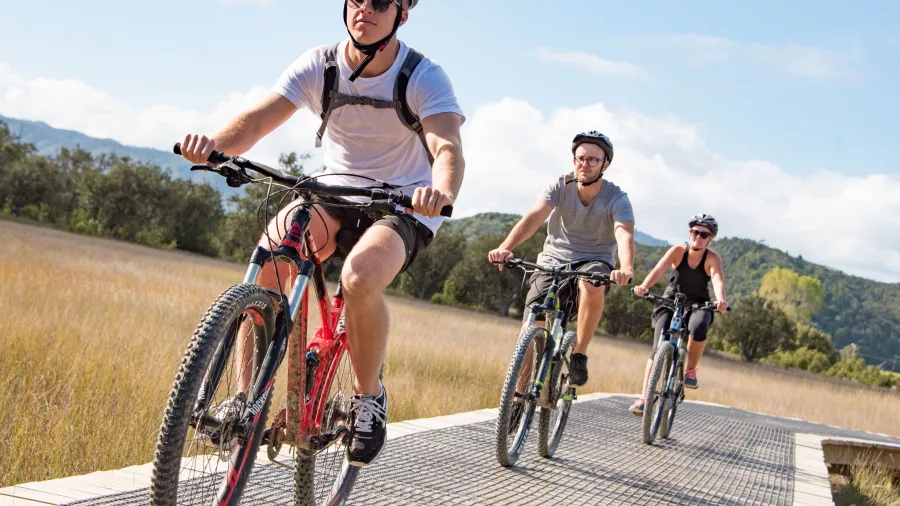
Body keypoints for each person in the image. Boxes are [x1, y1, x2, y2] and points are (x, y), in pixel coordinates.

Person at [179, 0, 465, 467]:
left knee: (359, 279)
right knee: (273, 253)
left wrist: (441, 190)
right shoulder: (320, 65)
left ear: (401, 16)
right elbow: (256, 119)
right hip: (333, 194)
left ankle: (367, 399)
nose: (365, 9)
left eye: (380, 3)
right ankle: (244, 398)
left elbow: (446, 144)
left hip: (402, 205)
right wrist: (214, 147)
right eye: (356, 0)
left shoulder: (422, 76)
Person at [488, 131, 635, 390]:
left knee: (591, 284)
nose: (584, 164)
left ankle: (579, 351)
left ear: (605, 164)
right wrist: (505, 247)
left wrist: (626, 267)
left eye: (592, 160)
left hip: (595, 259)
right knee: (532, 325)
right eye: (580, 158)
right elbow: (534, 217)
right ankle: (519, 397)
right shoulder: (559, 186)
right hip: (553, 258)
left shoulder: (617, 198)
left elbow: (623, 234)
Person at [629, 214, 729, 415]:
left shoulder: (712, 258)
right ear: (689, 232)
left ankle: (690, 369)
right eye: (694, 232)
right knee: (658, 347)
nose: (698, 237)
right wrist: (644, 286)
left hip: (699, 304)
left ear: (710, 238)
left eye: (704, 234)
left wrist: (721, 300)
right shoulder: (677, 251)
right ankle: (643, 398)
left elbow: (717, 280)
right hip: (670, 301)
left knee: (699, 328)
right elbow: (659, 269)